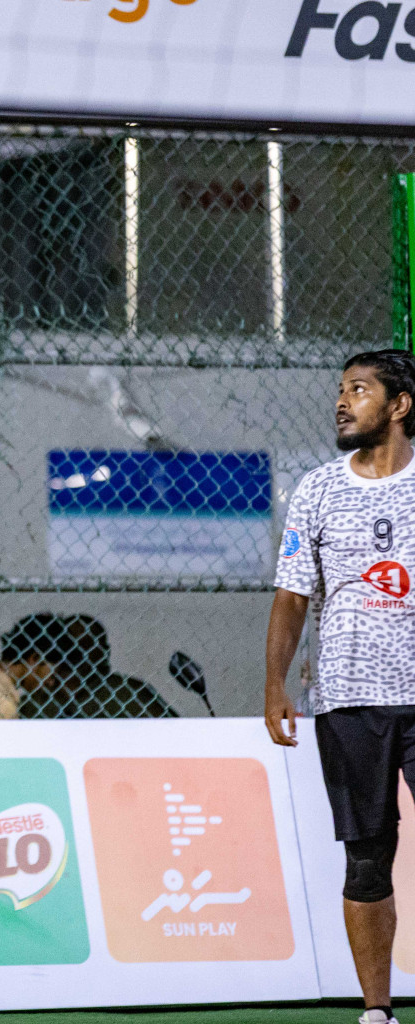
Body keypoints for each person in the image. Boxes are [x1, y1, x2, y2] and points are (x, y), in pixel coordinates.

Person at [267, 349, 415, 1024]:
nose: (341, 401)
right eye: (340, 390)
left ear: (399, 405)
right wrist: (275, 684)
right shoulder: (317, 490)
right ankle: (378, 1011)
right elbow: (293, 598)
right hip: (349, 701)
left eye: (358, 389)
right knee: (366, 859)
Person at [0, 612, 174, 719]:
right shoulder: (3, 701)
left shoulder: (129, 693)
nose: (51, 680)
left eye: (92, 645)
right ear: (34, 660)